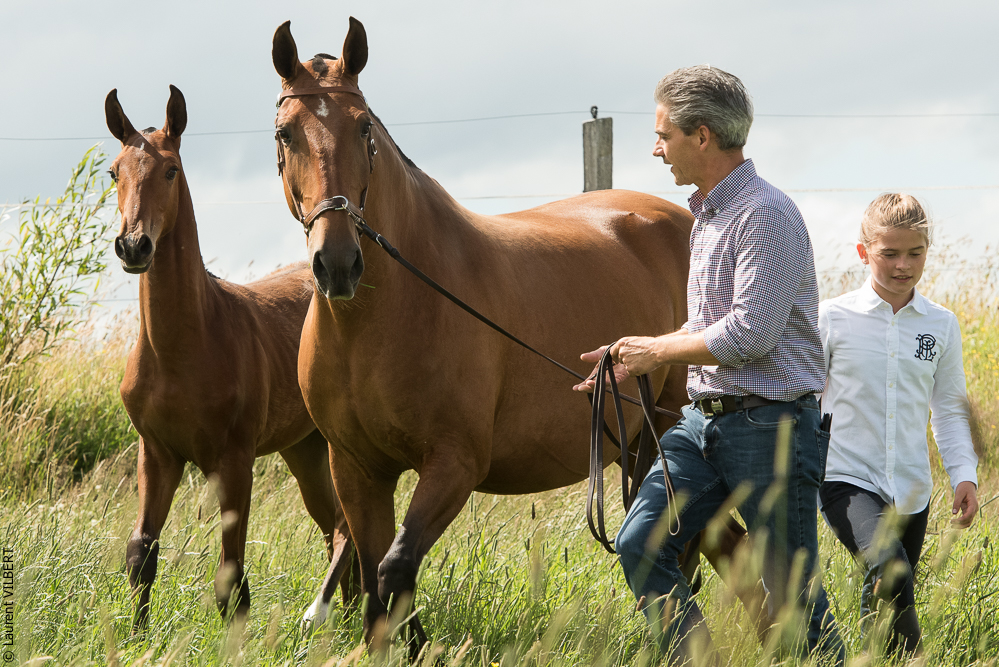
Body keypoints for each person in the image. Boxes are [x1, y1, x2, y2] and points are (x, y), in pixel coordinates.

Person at [574, 65, 844, 664]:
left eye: (663, 135)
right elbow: (706, 325)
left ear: (702, 136)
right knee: (641, 542)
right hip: (703, 421)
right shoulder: (709, 215)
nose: (656, 148)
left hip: (772, 426)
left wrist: (657, 353)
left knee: (792, 595)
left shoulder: (766, 214)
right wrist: (633, 356)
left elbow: (749, 334)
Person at [818, 193, 979, 657]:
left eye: (915, 253)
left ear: (927, 251)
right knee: (891, 572)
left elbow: (949, 409)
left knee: (887, 605)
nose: (903, 265)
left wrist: (964, 475)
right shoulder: (832, 318)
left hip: (911, 489)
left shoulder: (941, 325)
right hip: (845, 479)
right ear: (863, 251)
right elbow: (805, 400)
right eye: (889, 253)